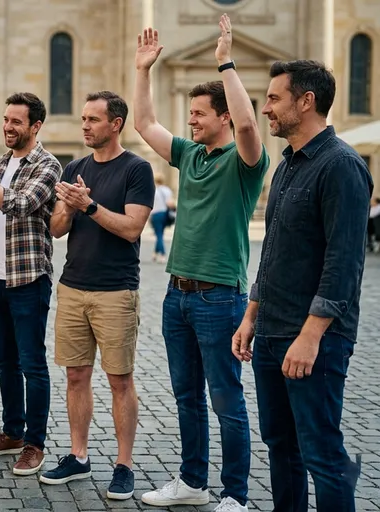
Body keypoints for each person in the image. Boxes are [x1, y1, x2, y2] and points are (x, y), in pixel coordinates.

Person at [133, 15, 269, 511]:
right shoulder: (189, 155)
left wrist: (226, 63)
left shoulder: (247, 160)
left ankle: (235, 494)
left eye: (199, 114)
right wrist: (144, 69)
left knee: (226, 402)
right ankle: (192, 481)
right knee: (187, 397)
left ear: (224, 117)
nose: (191, 120)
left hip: (220, 297)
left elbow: (251, 123)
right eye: (189, 113)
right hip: (178, 294)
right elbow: (145, 123)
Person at [233, 59, 371, 512]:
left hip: (314, 341)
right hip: (272, 333)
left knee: (322, 454)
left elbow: (343, 265)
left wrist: (310, 338)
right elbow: (273, 250)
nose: (266, 108)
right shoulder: (288, 163)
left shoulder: (343, 166)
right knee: (280, 446)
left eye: (274, 98)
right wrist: (251, 316)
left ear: (306, 101)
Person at [39, 91, 154, 501]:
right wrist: (69, 209)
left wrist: (88, 206)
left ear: (116, 124)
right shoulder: (74, 167)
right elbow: (55, 229)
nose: (84, 125)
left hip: (116, 290)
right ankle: (78, 455)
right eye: (83, 118)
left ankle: (123, 466)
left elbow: (132, 228)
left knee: (120, 379)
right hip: (72, 287)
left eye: (93, 119)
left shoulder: (137, 170)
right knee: (75, 375)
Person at [0, 92, 62, 476]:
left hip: (28, 279)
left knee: (32, 364)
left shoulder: (48, 165)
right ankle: (12, 431)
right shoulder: (2, 161)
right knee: (5, 362)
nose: (8, 127)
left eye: (16, 122)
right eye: (6, 120)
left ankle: (35, 443)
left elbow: (18, 204)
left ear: (35, 126)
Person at [149, 174, 174, 263]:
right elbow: (170, 203)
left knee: (158, 235)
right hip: (165, 214)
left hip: (156, 214)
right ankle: (155, 254)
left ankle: (163, 254)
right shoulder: (167, 190)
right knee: (160, 234)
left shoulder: (153, 190)